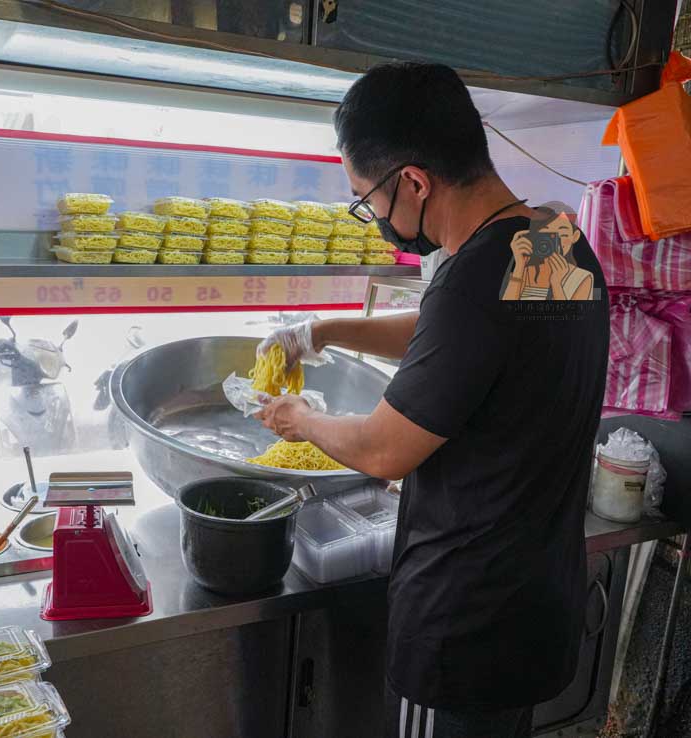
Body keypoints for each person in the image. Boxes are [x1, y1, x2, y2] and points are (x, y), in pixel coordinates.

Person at [256, 62, 609, 738]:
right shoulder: (550, 241)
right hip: (535, 602)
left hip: (464, 623)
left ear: (413, 180)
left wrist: (298, 418)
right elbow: (465, 338)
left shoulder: (471, 280)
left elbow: (382, 451)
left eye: (370, 200)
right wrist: (322, 331)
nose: (379, 219)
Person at [500, 204, 594, 301]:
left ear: (575, 237)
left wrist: (556, 284)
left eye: (563, 235)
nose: (556, 242)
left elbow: (573, 316)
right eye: (547, 235)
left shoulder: (582, 277)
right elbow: (504, 312)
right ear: (533, 236)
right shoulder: (521, 270)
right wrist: (519, 267)